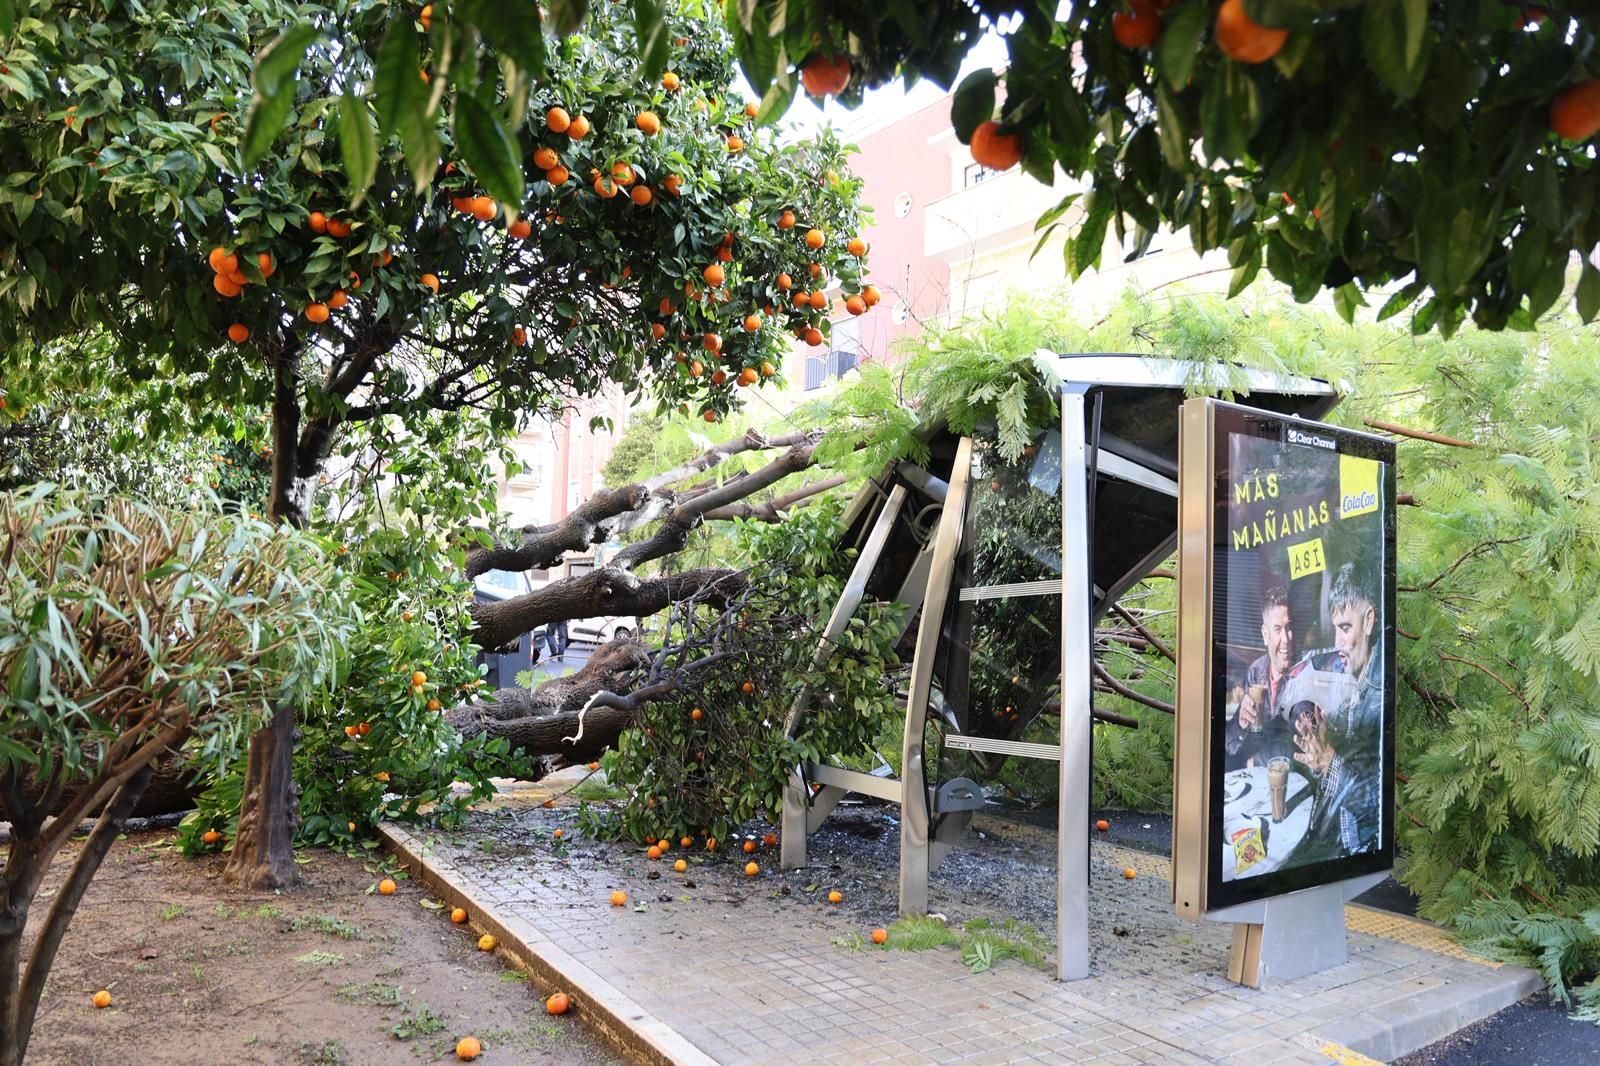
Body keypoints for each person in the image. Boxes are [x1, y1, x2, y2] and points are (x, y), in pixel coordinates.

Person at [1294, 561, 1384, 856]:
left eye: (1346, 628)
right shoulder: (1353, 679)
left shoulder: (1378, 697)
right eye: (1336, 629)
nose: (1338, 643)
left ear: (1368, 621)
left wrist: (1328, 761)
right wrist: (1318, 744)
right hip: (1331, 834)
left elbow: (1376, 807)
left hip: (1352, 848)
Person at [1225, 584, 1304, 770]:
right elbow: (1230, 744)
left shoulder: (1302, 673)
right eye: (1277, 629)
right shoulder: (1256, 671)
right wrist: (1241, 722)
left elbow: (1299, 746)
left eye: (1289, 627)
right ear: (1265, 634)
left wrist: (1254, 762)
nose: (1286, 639)